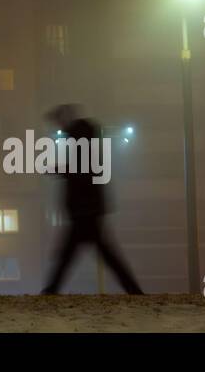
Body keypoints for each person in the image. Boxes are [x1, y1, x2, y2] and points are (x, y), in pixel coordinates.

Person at [41, 104, 144, 295]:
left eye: (57, 121)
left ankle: (51, 290)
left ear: (63, 119)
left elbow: (79, 171)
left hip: (84, 209)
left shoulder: (77, 139)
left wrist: (58, 170)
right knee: (99, 254)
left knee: (71, 254)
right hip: (89, 208)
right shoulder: (84, 139)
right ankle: (133, 290)